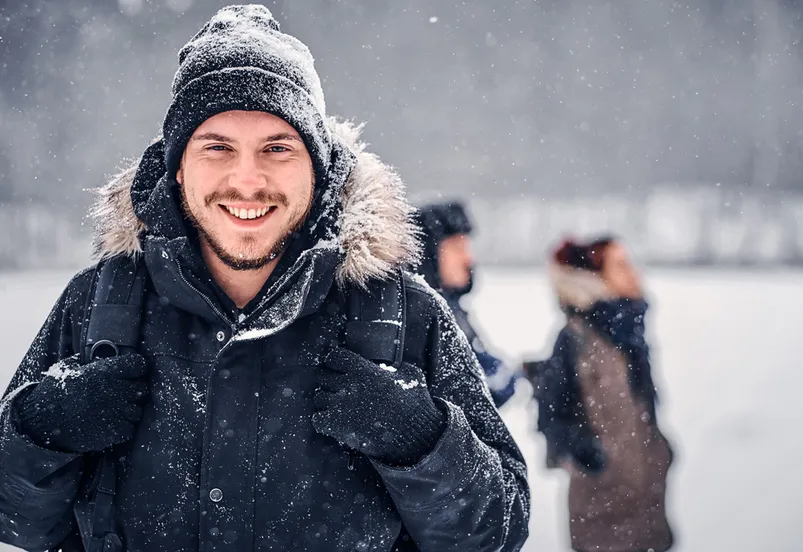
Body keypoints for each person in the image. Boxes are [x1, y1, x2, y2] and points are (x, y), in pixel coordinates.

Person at [0, 6, 529, 551]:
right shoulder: (100, 304)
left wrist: (420, 440)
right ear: (178, 166)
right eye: (217, 148)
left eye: (277, 148)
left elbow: (498, 531)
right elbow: (15, 521)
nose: (247, 180)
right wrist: (43, 433)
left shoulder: (402, 313)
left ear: (317, 167)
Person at [533, 236, 674, 552]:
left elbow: (642, 413)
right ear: (594, 279)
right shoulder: (574, 339)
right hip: (603, 518)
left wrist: (661, 452)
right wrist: (590, 457)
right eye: (621, 265)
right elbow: (550, 415)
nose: (633, 272)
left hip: (649, 509)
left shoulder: (629, 333)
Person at [412, 201, 519, 408]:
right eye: (457, 247)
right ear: (428, 251)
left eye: (468, 247)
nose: (468, 258)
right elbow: (466, 392)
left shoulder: (453, 308)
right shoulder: (421, 316)